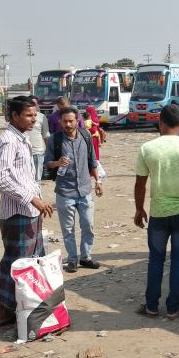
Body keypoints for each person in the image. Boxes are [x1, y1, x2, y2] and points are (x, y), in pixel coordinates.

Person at [133, 104, 179, 319]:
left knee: (156, 259)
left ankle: (151, 306)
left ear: (160, 122)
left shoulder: (147, 148)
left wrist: (139, 209)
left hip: (159, 213)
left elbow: (140, 184)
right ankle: (174, 307)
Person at [0, 96, 54, 327]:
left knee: (29, 263)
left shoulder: (22, 138)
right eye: (28, 115)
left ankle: (21, 310)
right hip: (17, 213)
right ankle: (5, 311)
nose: (33, 120)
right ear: (14, 115)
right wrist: (32, 199)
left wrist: (35, 199)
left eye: (35, 115)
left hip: (29, 211)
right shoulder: (8, 140)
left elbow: (23, 177)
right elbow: (1, 179)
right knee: (16, 263)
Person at [44, 107, 103, 273]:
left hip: (85, 191)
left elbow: (93, 161)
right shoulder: (54, 140)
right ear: (60, 122)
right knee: (68, 230)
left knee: (88, 226)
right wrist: (57, 163)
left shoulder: (85, 136)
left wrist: (98, 181)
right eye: (65, 121)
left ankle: (86, 257)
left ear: (77, 121)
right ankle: (72, 260)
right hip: (64, 192)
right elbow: (47, 162)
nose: (68, 124)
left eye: (71, 121)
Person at [27, 96, 50, 181]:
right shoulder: (22, 117)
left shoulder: (42, 117)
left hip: (37, 152)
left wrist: (48, 153)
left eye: (35, 104)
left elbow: (46, 135)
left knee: (37, 179)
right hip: (23, 152)